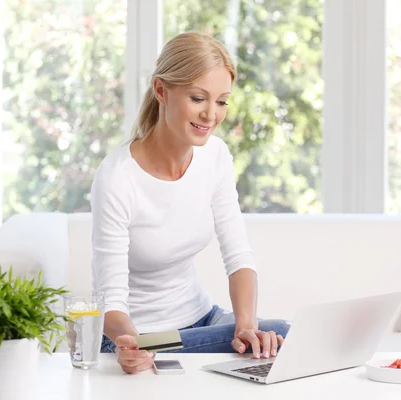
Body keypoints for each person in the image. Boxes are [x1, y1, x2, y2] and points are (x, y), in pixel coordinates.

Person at [90, 32, 290, 374]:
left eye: (222, 101)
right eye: (198, 98)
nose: (211, 114)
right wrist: (132, 343)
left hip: (204, 320)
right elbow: (110, 302)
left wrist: (244, 326)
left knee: (279, 336)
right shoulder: (117, 178)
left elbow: (238, 256)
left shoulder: (216, 156)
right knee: (281, 336)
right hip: (142, 337)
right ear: (161, 90)